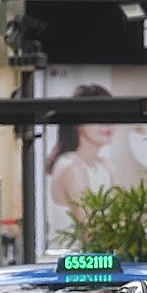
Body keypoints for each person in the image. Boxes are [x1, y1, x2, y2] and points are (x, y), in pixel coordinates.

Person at [46, 84, 117, 247]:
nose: (107, 125)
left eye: (112, 116)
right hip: (72, 263)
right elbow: (91, 230)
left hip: (98, 260)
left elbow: (117, 217)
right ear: (78, 123)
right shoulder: (71, 167)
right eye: (98, 118)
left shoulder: (104, 166)